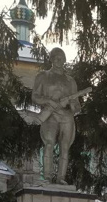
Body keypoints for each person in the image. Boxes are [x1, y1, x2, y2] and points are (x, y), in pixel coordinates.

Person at [32, 47, 81, 184]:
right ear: (51, 59)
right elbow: (35, 96)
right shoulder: (43, 76)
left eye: (62, 58)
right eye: (56, 58)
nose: (60, 61)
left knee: (65, 146)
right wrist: (49, 101)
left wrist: (72, 105)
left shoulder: (70, 81)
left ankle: (61, 178)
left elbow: (77, 105)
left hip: (66, 117)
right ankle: (47, 176)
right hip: (50, 115)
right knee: (49, 143)